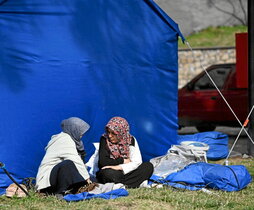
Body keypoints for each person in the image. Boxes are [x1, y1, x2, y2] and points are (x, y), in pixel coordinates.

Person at [36, 117, 92, 196]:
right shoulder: (64, 139)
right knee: (67, 164)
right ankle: (59, 192)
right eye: (80, 131)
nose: (82, 134)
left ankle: (76, 188)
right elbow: (74, 159)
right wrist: (87, 178)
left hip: (57, 178)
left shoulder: (73, 140)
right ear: (74, 129)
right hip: (48, 183)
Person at [96, 117, 154, 188]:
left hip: (127, 170)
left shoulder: (130, 140)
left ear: (121, 132)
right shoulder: (104, 139)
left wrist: (119, 167)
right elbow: (103, 162)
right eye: (108, 132)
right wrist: (123, 160)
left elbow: (137, 162)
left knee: (148, 166)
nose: (110, 136)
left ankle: (120, 185)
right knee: (107, 174)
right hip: (112, 172)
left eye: (113, 133)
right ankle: (135, 183)